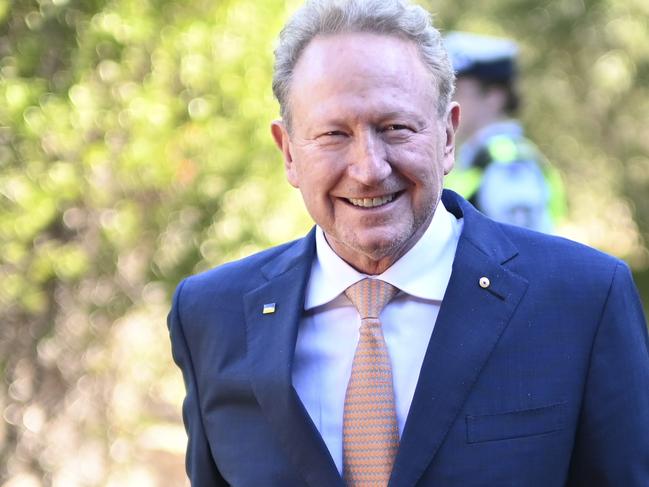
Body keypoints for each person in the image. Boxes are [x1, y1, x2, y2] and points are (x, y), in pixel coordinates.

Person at [167, 1, 649, 485]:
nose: (369, 169)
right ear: (289, 152)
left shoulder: (584, 300)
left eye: (395, 128)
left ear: (446, 136)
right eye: (334, 134)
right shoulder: (211, 316)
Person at [443, 31, 565, 233]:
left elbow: (522, 254)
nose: (447, 102)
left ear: (494, 97)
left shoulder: (506, 162)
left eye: (457, 92)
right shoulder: (480, 157)